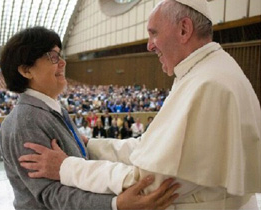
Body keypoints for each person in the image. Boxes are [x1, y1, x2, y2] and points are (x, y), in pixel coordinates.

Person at [19, 1, 261, 209]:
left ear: (184, 29)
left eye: (154, 33)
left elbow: (149, 186)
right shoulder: (204, 72)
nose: (149, 45)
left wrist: (67, 167)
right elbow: (148, 150)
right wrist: (92, 145)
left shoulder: (208, 84)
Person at [0, 26, 179, 210]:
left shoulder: (52, 109)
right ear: (26, 70)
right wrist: (114, 204)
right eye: (52, 57)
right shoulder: (27, 121)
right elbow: (51, 194)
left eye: (60, 56)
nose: (62, 63)